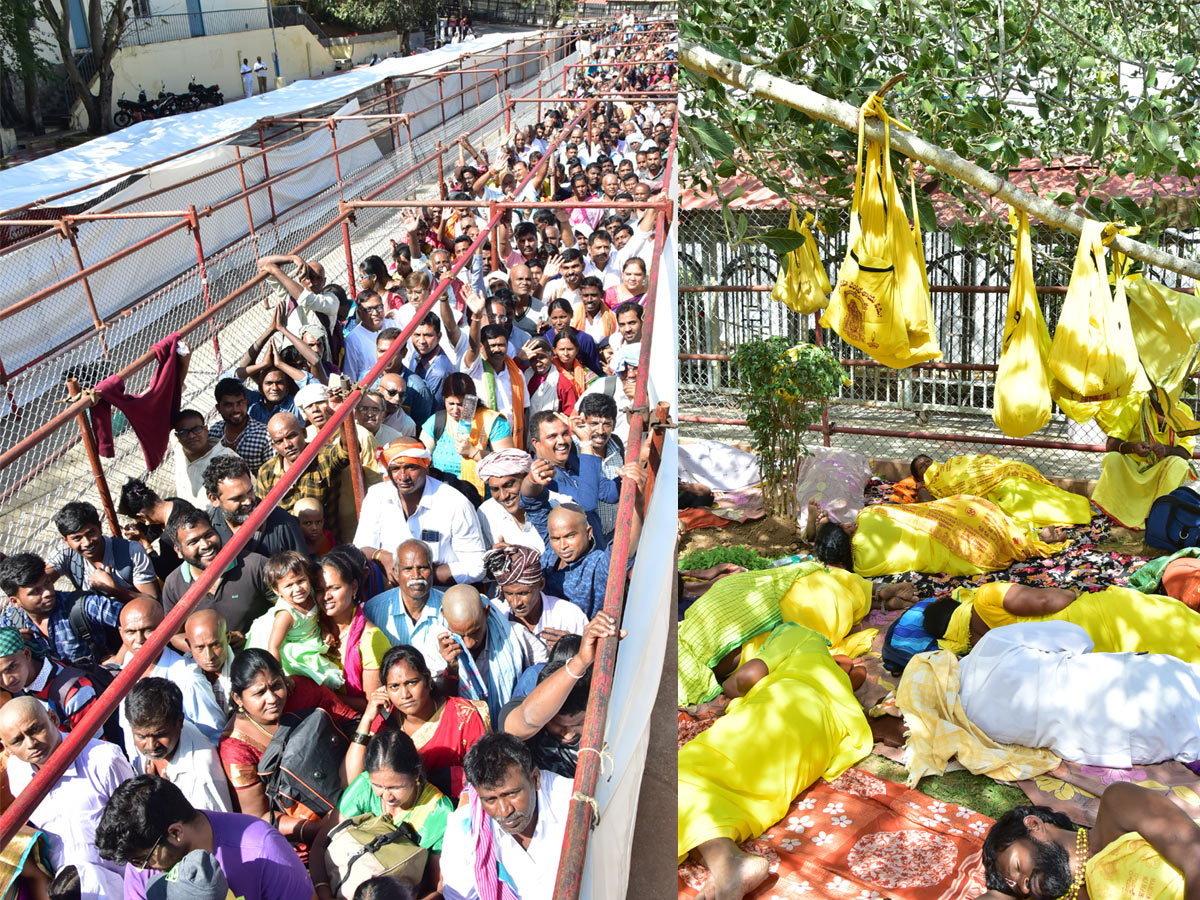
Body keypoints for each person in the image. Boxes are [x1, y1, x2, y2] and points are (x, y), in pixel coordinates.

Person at [678, 624, 874, 900]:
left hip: (783, 709)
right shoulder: (835, 681)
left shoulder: (796, 633)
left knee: (683, 775)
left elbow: (748, 676)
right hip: (821, 735)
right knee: (733, 795)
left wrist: (728, 684)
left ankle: (728, 863)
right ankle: (725, 863)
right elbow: (853, 670)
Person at [952, 621, 1200, 767]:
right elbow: (1079, 638)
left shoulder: (966, 723)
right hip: (1136, 683)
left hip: (1122, 744)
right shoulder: (993, 642)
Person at [94, 775, 314, 900]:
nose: (142, 869)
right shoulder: (143, 864)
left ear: (175, 832)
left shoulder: (262, 848)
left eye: (143, 859)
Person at [1, 696, 136, 900]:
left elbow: (139, 825)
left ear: (53, 718)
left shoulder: (103, 760)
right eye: (17, 741)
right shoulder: (16, 772)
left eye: (35, 729)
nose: (31, 744)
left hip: (126, 887)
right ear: (7, 748)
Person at [218, 649, 356, 843]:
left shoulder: (300, 692)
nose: (272, 698)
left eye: (276, 686)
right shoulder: (236, 748)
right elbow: (261, 816)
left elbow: (352, 723)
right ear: (238, 698)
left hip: (355, 788)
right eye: (259, 693)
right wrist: (321, 828)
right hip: (312, 835)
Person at [979, 782, 1200, 900]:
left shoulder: (1117, 806)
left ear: (1035, 825)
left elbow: (1196, 856)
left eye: (1017, 866)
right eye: (1021, 888)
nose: (1026, 888)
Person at [310, 728, 454, 899]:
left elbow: (438, 888)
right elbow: (320, 845)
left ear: (416, 773)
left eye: (396, 787)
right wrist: (324, 893)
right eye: (378, 786)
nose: (386, 796)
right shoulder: (363, 787)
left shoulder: (439, 812)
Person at [345, 644, 487, 801]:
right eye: (394, 687)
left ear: (427, 680)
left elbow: (483, 779)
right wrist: (367, 718)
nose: (405, 694)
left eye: (412, 682)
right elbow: (351, 782)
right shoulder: (385, 719)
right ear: (385, 690)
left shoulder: (463, 718)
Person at [440, 733, 572, 900]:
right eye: (490, 800)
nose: (504, 811)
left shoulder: (571, 801)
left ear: (535, 779)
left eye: (511, 794)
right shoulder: (464, 829)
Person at [923, 580, 1200, 660]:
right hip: (1104, 616)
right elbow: (1047, 601)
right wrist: (1073, 591)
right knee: (1179, 626)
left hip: (1100, 652)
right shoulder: (986, 597)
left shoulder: (980, 651)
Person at [812, 497, 1068, 578]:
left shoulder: (862, 569)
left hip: (973, 558)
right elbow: (915, 510)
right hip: (963, 521)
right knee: (963, 507)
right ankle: (1026, 533)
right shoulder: (870, 516)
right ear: (845, 528)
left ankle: (1029, 540)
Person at [520, 459, 646, 619]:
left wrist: (638, 504)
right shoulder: (551, 549)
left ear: (588, 532)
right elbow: (531, 501)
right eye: (556, 538)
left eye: (570, 536)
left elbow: (624, 549)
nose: (563, 545)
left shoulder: (597, 567)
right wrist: (532, 479)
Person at [354, 439, 488, 586]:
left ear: (426, 466)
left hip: (442, 591)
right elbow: (360, 548)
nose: (403, 476)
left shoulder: (455, 502)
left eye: (411, 467)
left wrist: (420, 576)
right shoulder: (377, 495)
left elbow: (476, 567)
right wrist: (382, 556)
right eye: (395, 469)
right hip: (391, 591)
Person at [501, 613, 619, 780]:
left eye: (579, 723)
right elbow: (523, 721)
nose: (568, 734)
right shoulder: (532, 688)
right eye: (557, 724)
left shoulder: (609, 705)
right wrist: (580, 662)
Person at [114, 598, 228, 748]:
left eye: (148, 630)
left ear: (165, 629)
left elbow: (215, 738)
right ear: (121, 633)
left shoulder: (188, 679)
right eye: (131, 632)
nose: (139, 640)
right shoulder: (126, 666)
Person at [1091, 386, 1198, 529]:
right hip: (1134, 468)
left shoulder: (1183, 411)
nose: (1163, 409)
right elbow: (1111, 444)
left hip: (1162, 471)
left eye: (1168, 403)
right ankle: (1117, 514)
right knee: (1113, 458)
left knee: (1179, 464)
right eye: (1159, 404)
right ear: (1152, 397)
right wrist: (1132, 447)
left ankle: (1159, 517)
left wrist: (1166, 450)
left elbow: (1185, 452)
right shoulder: (1135, 405)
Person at [125, 677, 234, 813]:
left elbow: (211, 831)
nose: (151, 746)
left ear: (180, 722)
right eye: (141, 736)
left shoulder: (201, 777)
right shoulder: (147, 725)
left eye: (160, 735)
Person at [160, 506, 271, 637]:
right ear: (178, 551)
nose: (205, 545)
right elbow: (175, 635)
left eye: (208, 535)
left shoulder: (254, 565)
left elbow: (287, 607)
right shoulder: (173, 584)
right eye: (193, 542)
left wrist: (251, 638)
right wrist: (210, 646)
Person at [437, 584, 539, 725]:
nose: (469, 643)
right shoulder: (435, 646)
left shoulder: (515, 636)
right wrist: (451, 669)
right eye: (461, 635)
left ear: (486, 613)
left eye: (475, 632)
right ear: (445, 617)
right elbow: (438, 704)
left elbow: (544, 673)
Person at [0, 551, 124, 663]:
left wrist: (118, 661)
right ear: (15, 601)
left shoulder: (80, 605)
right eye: (36, 591)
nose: (47, 592)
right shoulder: (10, 623)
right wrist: (11, 644)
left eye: (47, 582)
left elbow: (135, 619)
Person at [910, 453, 1092, 528]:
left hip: (997, 475)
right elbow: (926, 504)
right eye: (922, 467)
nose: (927, 464)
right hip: (994, 491)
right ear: (919, 477)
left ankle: (1076, 506)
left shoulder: (951, 464)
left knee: (1020, 482)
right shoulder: (932, 486)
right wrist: (921, 486)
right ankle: (1075, 511)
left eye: (928, 461)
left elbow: (973, 463)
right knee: (1016, 495)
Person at [246, 551, 342, 688]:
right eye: (289, 585)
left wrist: (324, 630)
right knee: (316, 682)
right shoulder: (286, 615)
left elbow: (317, 617)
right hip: (294, 652)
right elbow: (273, 646)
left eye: (301, 581)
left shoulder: (313, 594)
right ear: (276, 591)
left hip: (310, 639)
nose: (297, 589)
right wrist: (281, 677)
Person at [528, 410, 622, 548]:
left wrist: (635, 469)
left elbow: (609, 492)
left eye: (565, 434)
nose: (561, 441)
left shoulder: (572, 462)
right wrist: (586, 442)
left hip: (598, 553)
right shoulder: (543, 478)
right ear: (536, 443)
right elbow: (587, 504)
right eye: (552, 436)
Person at [0, 626, 113, 737]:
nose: (6, 680)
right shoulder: (18, 688)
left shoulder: (74, 693)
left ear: (26, 654)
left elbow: (93, 747)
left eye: (11, 667)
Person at [484, 546, 587, 660]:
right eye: (508, 593)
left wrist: (573, 645)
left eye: (523, 593)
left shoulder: (569, 616)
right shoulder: (493, 613)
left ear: (541, 585)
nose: (516, 603)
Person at [419, 372, 515, 493]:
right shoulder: (436, 421)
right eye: (451, 404)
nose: (455, 410)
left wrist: (473, 452)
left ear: (472, 401)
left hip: (482, 498)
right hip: (443, 494)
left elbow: (507, 462)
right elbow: (421, 458)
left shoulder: (493, 422)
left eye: (461, 404)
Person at [257, 412, 351, 534]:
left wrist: (343, 415)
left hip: (325, 542)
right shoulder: (266, 472)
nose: (287, 445)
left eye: (291, 436)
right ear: (274, 446)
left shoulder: (323, 456)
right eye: (279, 441)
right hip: (288, 545)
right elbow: (262, 516)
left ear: (304, 433)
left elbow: (347, 452)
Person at [317, 550, 392, 703]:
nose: (326, 596)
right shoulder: (312, 625)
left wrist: (319, 695)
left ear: (354, 587)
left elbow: (371, 704)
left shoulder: (370, 638)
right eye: (320, 590)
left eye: (334, 588)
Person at [47, 500, 159, 601]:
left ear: (100, 527)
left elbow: (152, 601)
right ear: (65, 541)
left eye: (90, 533)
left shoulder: (132, 551)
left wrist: (114, 589)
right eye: (77, 538)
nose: (87, 543)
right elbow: (37, 583)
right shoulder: (66, 554)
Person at [363, 539, 446, 675]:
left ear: (432, 569)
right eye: (408, 569)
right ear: (395, 572)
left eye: (422, 568)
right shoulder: (374, 609)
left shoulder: (449, 607)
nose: (416, 576)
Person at [203, 454, 307, 560]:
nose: (248, 501)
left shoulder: (283, 522)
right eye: (237, 498)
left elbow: (303, 569)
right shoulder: (205, 526)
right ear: (214, 499)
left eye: (250, 491)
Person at [476, 450, 553, 553]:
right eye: (495, 489)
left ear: (526, 477)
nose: (504, 496)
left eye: (509, 485)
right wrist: (496, 557)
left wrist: (523, 558)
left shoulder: (560, 507)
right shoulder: (485, 512)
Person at [117, 479, 184, 580]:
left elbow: (166, 573)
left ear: (143, 516)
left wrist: (145, 545)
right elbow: (153, 531)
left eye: (140, 520)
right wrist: (139, 530)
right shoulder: (176, 502)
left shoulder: (167, 539)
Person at [172, 409, 239, 509]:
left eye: (197, 429)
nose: (191, 436)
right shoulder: (179, 450)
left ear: (206, 429)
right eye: (184, 432)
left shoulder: (226, 458)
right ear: (177, 436)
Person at [209, 379, 274, 473]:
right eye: (228, 405)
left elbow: (272, 475)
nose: (236, 410)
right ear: (218, 408)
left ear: (246, 403)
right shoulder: (214, 433)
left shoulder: (265, 436)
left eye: (240, 403)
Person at [184, 610, 234, 714]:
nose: (209, 656)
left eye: (215, 645)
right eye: (199, 647)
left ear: (228, 638)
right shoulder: (181, 674)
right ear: (189, 645)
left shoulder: (245, 671)